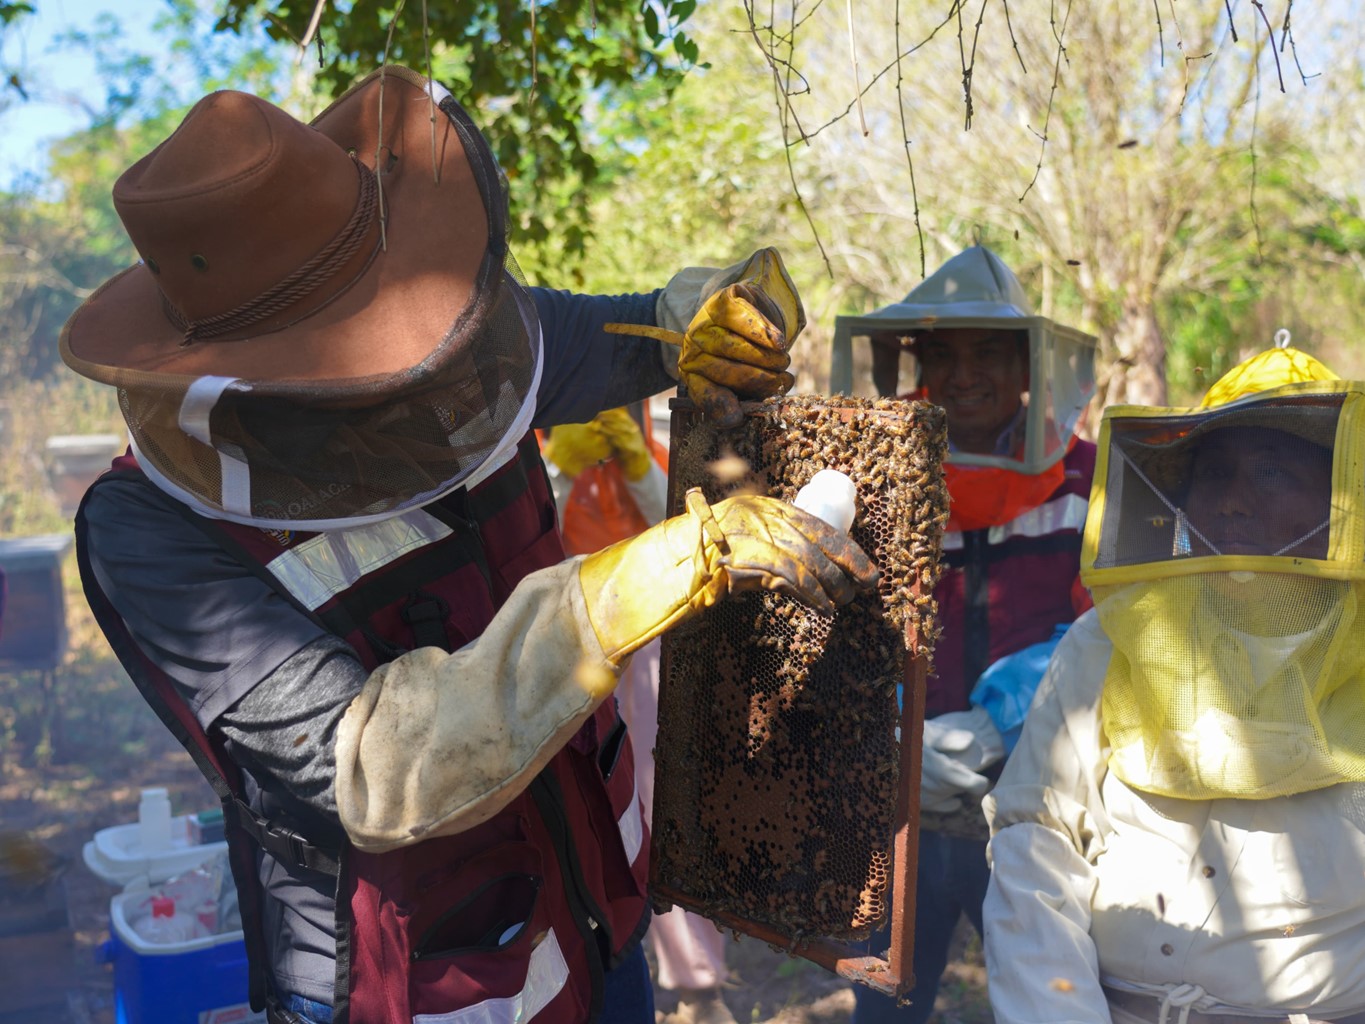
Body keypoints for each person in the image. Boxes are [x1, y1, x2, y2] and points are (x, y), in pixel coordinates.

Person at [63, 66, 878, 1024]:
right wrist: (612, 596)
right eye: (352, 342)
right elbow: (364, 766)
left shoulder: (467, 348)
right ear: (237, 374)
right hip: (412, 981)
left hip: (601, 910)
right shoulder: (147, 530)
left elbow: (618, 332)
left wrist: (690, 319)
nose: (406, 368)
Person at [982, 340, 1365, 1023]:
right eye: (1213, 473)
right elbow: (1035, 842)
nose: (1232, 504)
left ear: (1342, 501)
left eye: (1272, 473)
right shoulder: (1107, 638)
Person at [833, 246, 1098, 1023]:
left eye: (989, 350)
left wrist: (999, 721)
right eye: (941, 354)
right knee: (883, 1003)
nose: (963, 374)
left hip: (1037, 810)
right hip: (898, 809)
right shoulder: (876, 481)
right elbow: (847, 627)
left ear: (1030, 365)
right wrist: (892, 729)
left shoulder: (1085, 479)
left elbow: (1110, 634)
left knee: (1055, 999)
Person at [543, 407, 739, 1024]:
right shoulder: (537, 462)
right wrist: (559, 467)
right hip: (570, 642)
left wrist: (634, 465)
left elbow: (680, 533)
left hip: (651, 637)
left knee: (665, 791)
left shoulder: (659, 456)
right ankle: (608, 951)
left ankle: (698, 985)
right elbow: (536, 547)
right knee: (589, 798)